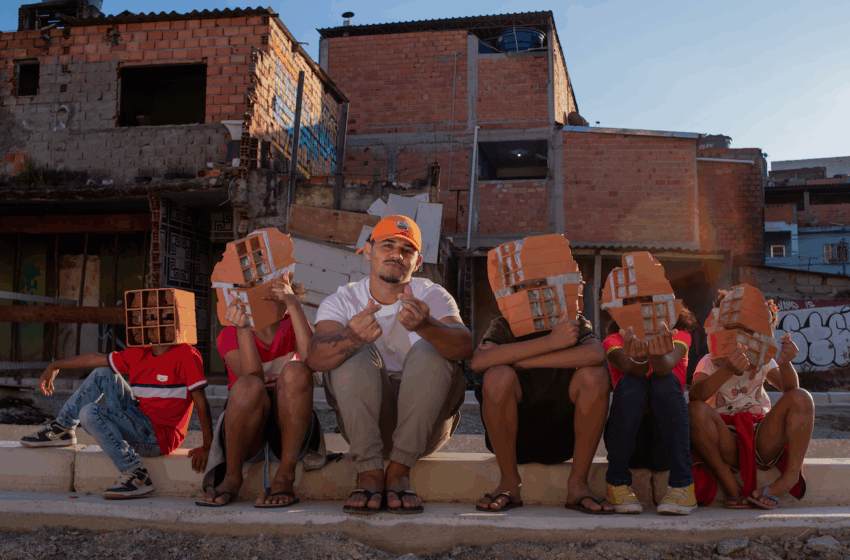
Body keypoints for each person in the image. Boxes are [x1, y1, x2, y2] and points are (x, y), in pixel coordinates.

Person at [308, 215, 472, 514]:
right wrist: (351, 338)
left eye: (407, 250)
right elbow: (315, 358)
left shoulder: (431, 294)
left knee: (430, 349)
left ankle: (398, 470)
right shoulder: (343, 300)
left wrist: (427, 327)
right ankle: (369, 471)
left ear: (418, 261)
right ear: (368, 251)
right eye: (387, 245)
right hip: (365, 428)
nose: (397, 255)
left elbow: (464, 346)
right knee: (351, 351)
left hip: (425, 431)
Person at [472, 234, 613, 514]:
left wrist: (524, 361)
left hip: (563, 438)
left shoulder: (574, 322)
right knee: (497, 375)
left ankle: (578, 485)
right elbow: (479, 362)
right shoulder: (505, 326)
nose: (536, 291)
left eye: (544, 282)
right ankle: (509, 483)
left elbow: (596, 355)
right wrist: (549, 344)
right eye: (528, 284)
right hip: (513, 438)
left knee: (595, 376)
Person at [21, 313, 213, 499]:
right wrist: (55, 365)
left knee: (91, 413)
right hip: (138, 418)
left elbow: (201, 402)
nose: (158, 323)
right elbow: (92, 359)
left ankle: (136, 474)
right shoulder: (140, 353)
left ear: (179, 324)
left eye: (168, 317)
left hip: (159, 437)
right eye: (152, 318)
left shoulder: (186, 354)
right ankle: (63, 428)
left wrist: (207, 445)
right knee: (102, 373)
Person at [198, 271, 317, 507]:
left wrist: (293, 304)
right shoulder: (228, 334)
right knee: (249, 385)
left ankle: (285, 476)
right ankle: (232, 476)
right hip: (246, 422)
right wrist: (243, 329)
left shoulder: (292, 325)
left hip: (290, 421)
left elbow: (311, 360)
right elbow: (253, 379)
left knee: (296, 370)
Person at [688, 288, 814, 509]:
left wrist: (785, 364)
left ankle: (790, 477)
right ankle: (728, 482)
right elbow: (695, 396)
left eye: (747, 329)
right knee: (694, 411)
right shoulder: (708, 361)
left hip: (762, 437)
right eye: (730, 327)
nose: (738, 335)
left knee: (802, 397)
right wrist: (726, 370)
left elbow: (791, 390)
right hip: (726, 440)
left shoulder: (763, 360)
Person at [598, 251, 697, 515]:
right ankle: (616, 483)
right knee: (634, 381)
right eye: (631, 300)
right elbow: (628, 365)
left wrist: (655, 354)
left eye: (648, 298)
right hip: (630, 443)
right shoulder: (614, 341)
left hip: (668, 444)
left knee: (662, 380)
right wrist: (639, 359)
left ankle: (683, 487)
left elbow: (666, 365)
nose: (641, 307)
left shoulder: (680, 335)